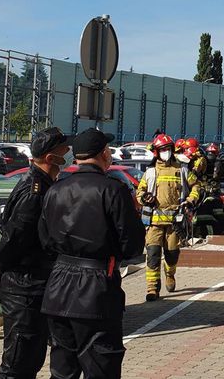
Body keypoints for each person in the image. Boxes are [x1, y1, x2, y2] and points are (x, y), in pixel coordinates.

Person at [38, 128, 144, 379]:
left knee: (62, 370)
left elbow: (44, 239)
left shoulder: (55, 189)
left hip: (58, 287)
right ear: (104, 154)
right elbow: (132, 245)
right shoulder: (113, 189)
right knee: (101, 366)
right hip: (96, 287)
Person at [0, 127, 70, 379]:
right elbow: (15, 237)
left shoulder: (44, 183)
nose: (69, 152)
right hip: (23, 288)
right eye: (64, 149)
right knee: (19, 363)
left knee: (32, 357)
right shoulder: (34, 191)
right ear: (51, 158)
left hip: (35, 284)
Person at [135, 133, 199, 301]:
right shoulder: (150, 172)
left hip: (174, 223)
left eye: (168, 149)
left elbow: (196, 186)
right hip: (154, 222)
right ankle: (152, 289)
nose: (166, 152)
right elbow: (139, 192)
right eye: (163, 149)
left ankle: (170, 274)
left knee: (172, 255)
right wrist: (144, 198)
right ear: (157, 152)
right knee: (153, 255)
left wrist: (191, 200)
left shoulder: (182, 169)